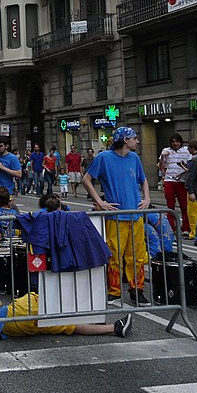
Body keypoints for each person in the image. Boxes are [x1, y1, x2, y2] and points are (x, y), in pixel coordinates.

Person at [0, 263, 132, 339]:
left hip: (11, 319)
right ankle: (113, 328)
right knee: (63, 322)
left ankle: (102, 322)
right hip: (11, 317)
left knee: (62, 319)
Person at [83, 126, 151, 306]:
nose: (137, 141)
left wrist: (147, 198)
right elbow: (86, 179)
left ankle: (137, 290)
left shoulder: (134, 158)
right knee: (114, 254)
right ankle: (113, 290)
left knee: (137, 255)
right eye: (134, 138)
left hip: (135, 215)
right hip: (115, 216)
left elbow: (143, 179)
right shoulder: (104, 158)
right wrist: (101, 202)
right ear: (125, 140)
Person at [158, 134, 193, 236]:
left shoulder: (186, 151)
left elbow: (190, 166)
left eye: (177, 141)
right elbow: (161, 166)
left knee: (184, 205)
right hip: (169, 181)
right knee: (170, 206)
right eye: (173, 141)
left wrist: (183, 173)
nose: (175, 143)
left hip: (182, 182)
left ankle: (186, 228)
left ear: (181, 142)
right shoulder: (166, 150)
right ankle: (171, 227)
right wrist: (163, 157)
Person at [185, 139, 197, 239]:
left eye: (188, 147)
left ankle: (194, 233)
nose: (187, 149)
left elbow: (190, 176)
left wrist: (190, 191)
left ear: (192, 148)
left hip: (194, 190)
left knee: (192, 213)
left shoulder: (193, 159)